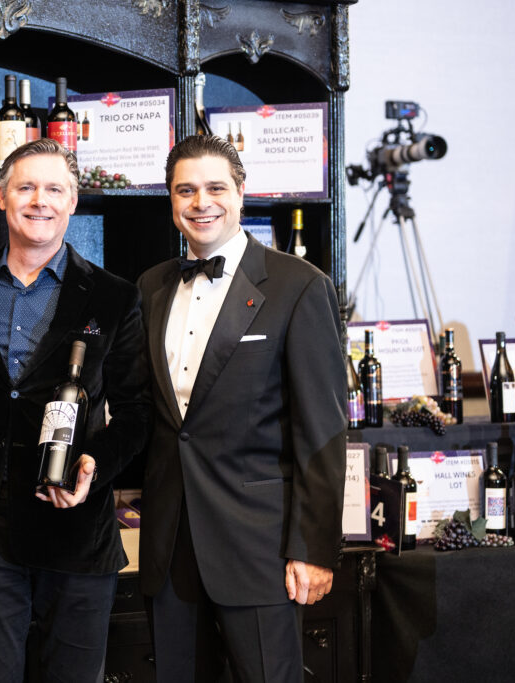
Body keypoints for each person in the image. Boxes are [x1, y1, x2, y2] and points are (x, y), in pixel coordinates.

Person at [0, 138, 152, 683]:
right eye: (26, 188)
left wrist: (93, 467)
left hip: (73, 523)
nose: (41, 201)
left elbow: (135, 411)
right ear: (3, 199)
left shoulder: (114, 296)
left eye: (55, 188)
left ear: (73, 201)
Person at [137, 135, 347, 682]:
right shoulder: (152, 286)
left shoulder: (299, 285)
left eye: (214, 188)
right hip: (170, 544)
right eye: (185, 190)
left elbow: (322, 429)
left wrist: (314, 547)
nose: (201, 202)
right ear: (171, 200)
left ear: (241, 192)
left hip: (260, 548)